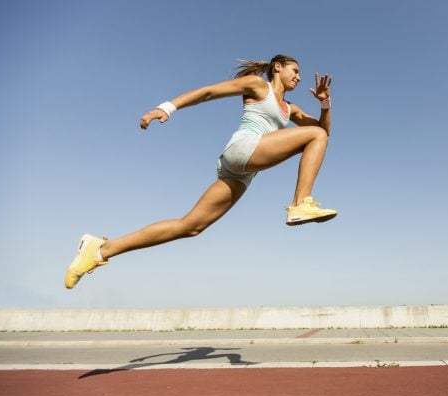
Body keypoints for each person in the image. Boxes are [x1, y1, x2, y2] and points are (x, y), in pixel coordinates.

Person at [64, 55, 337, 289]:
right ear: (277, 67)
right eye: (295, 71)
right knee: (312, 135)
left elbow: (324, 132)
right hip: (244, 148)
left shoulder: (291, 109)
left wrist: (324, 104)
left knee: (191, 226)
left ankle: (100, 249)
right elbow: (208, 92)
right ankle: (300, 204)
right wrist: (167, 107)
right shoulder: (257, 85)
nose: (299, 78)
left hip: (242, 172)